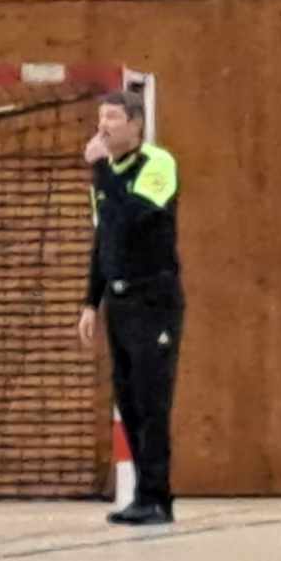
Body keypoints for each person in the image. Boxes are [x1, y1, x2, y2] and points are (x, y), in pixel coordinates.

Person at [76, 89, 183, 526]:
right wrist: (90, 301)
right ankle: (142, 494)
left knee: (151, 398)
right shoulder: (104, 178)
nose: (103, 126)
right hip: (118, 302)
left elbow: (133, 218)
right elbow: (105, 239)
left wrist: (102, 168)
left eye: (113, 118)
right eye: (101, 117)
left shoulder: (157, 164)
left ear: (135, 124)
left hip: (153, 298)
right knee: (129, 399)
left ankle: (158, 497)